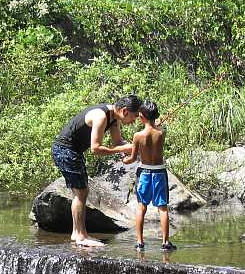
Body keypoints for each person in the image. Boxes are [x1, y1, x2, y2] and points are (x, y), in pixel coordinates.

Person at [52, 95, 142, 247]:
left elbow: (118, 142)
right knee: (81, 192)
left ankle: (77, 233)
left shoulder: (114, 117)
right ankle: (80, 236)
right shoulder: (101, 116)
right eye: (134, 117)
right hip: (65, 150)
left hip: (73, 151)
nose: (134, 121)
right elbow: (96, 148)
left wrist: (135, 146)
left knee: (81, 191)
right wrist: (122, 149)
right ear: (125, 111)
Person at [122, 100, 176, 251]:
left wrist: (125, 160)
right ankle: (165, 243)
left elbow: (132, 158)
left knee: (141, 207)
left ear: (142, 116)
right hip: (159, 172)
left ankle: (140, 242)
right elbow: (157, 128)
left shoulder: (138, 135)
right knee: (162, 208)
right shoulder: (161, 132)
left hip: (144, 173)